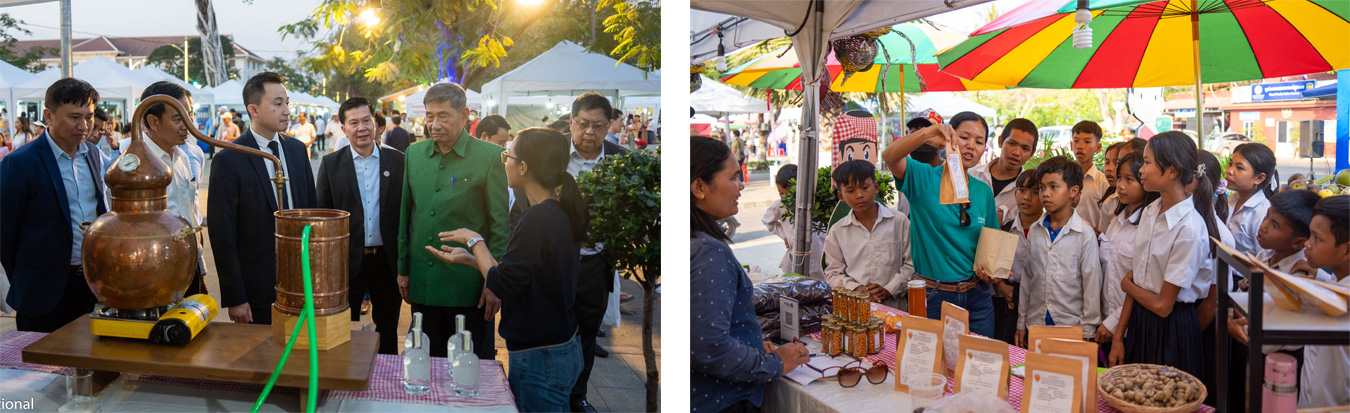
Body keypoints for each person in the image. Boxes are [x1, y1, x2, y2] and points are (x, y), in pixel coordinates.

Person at [429, 127, 586, 412]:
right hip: (559, 343)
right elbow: (521, 273)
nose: (505, 163)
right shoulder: (555, 209)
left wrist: (475, 240)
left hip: (540, 354)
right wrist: (471, 259)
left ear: (523, 167)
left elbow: (501, 284)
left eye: (508, 156)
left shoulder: (537, 217)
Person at [524, 94, 632, 412]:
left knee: (586, 331)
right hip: (552, 261)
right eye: (583, 124)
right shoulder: (551, 151)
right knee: (547, 328)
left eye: (598, 126)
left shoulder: (620, 159)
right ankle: (542, 390)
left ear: (609, 125)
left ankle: (577, 396)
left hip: (595, 262)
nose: (589, 132)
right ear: (571, 121)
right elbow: (525, 195)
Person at [690, 135, 809, 412]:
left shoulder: (697, 240)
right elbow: (710, 347)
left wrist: (749, 344)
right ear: (699, 187)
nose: (742, 186)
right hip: (722, 401)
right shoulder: (708, 251)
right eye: (734, 178)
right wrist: (775, 363)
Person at [396, 82, 507, 361]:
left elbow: (499, 224)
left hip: (469, 286)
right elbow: (406, 215)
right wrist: (403, 269)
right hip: (423, 281)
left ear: (464, 115)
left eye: (443, 116)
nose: (434, 125)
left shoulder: (490, 156)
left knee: (469, 364)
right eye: (429, 116)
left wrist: (493, 280)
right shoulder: (414, 154)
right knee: (422, 362)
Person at [207, 72, 318, 325]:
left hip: (301, 281)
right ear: (253, 110)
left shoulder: (297, 149)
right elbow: (223, 234)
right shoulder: (229, 159)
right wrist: (236, 297)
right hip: (257, 286)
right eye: (278, 104)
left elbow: (310, 210)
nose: (287, 111)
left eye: (287, 102)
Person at [1107, 131, 1217, 382]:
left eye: (1147, 162)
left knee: (1163, 394)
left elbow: (1162, 305)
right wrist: (1119, 335)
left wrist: (1127, 285)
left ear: (1172, 171)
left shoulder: (1188, 227)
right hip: (1140, 319)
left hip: (1170, 328)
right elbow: (1139, 278)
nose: (1141, 170)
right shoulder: (1151, 211)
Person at [0, 78, 107, 332]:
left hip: (92, 285)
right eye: (74, 117)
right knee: (42, 357)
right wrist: (28, 277)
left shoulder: (93, 154)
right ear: (49, 115)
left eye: (89, 117)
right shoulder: (20, 162)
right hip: (42, 293)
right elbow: (5, 234)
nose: (84, 126)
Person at [881, 111, 999, 337]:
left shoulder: (983, 191)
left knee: (977, 358)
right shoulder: (923, 178)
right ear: (949, 138)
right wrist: (926, 134)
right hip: (933, 296)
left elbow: (991, 247)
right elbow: (890, 156)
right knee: (930, 357)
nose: (971, 146)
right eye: (964, 137)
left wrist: (991, 272)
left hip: (977, 296)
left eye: (979, 141)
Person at [316, 97, 405, 355]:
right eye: (354, 123)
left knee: (387, 330)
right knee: (341, 331)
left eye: (367, 120)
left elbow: (407, 214)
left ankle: (387, 376)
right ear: (344, 129)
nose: (362, 128)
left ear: (375, 123)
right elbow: (323, 217)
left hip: (387, 262)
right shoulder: (331, 164)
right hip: (346, 263)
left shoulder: (398, 161)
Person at [130, 81, 208, 296]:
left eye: (189, 115)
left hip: (190, 264)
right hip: (156, 273)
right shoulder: (133, 162)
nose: (188, 125)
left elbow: (190, 213)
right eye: (178, 119)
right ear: (153, 122)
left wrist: (199, 266)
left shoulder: (183, 156)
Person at [1014, 156, 1102, 345]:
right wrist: (1021, 323)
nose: (1045, 194)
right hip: (1036, 324)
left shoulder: (1084, 234)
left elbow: (1092, 285)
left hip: (1070, 327)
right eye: (1042, 188)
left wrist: (1087, 331)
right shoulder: (1036, 231)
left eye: (1054, 187)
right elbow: (1028, 280)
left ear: (1073, 191)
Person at [823, 160, 915, 309]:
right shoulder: (837, 231)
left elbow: (912, 264)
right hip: (855, 310)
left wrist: (890, 289)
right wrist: (856, 288)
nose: (859, 195)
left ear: (875, 187)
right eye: (851, 191)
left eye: (865, 188)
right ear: (841, 196)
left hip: (895, 308)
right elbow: (833, 274)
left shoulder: (899, 222)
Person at [1097, 152, 1159, 349]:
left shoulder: (1149, 226)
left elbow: (1142, 285)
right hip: (1106, 320)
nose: (1120, 185)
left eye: (1129, 180)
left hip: (1133, 325)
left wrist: (1114, 323)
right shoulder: (1116, 221)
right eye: (1120, 178)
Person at [1295, 195, 1350, 408]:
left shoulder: (1342, 303)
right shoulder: (1334, 282)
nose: (1307, 244)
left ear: (1347, 249)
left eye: (1317, 238)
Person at [993, 170, 1040, 345]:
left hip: (1038, 301)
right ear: (1015, 194)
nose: (1026, 197)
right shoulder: (1007, 229)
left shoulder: (1048, 231)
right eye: (1022, 190)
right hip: (1009, 298)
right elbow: (997, 266)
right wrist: (1001, 285)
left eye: (1035, 192)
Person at [969, 118, 1038, 227]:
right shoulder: (972, 174)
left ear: (1032, 153)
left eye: (1025, 149)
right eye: (1012, 144)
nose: (1016, 152)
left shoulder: (1030, 194)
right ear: (1000, 141)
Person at [762, 164, 825, 279]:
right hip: (796, 259)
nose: (785, 198)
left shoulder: (818, 202)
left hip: (820, 256)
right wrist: (784, 235)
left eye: (790, 194)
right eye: (781, 193)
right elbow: (768, 221)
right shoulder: (779, 205)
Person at [1224, 143, 1277, 260]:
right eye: (1230, 164)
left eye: (1239, 168)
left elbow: (1264, 258)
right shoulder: (1230, 200)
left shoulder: (1262, 213)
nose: (1229, 171)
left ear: (1259, 178)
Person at [1070, 121, 1109, 227]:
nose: (1080, 146)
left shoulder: (1103, 183)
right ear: (1071, 145)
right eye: (1076, 141)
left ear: (1098, 147)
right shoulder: (1062, 178)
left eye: (1087, 142)